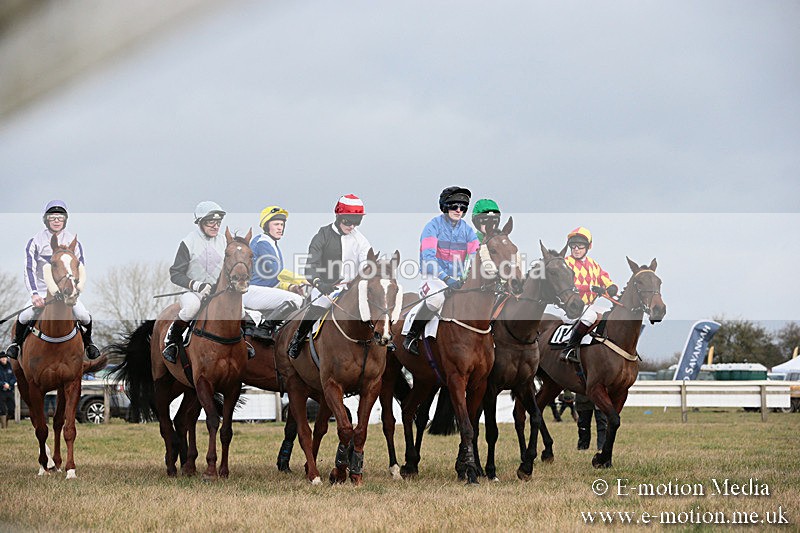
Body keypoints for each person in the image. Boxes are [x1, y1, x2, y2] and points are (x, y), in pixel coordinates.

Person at [5, 200, 100, 360]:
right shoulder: (35, 241)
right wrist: (34, 294)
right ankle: (17, 344)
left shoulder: (74, 242)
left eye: (60, 217)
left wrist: (75, 291)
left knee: (83, 315)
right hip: (42, 291)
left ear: (65, 219)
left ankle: (89, 343)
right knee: (24, 316)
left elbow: (80, 269)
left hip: (67, 291)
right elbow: (29, 269)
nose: (56, 221)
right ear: (46, 219)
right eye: (52, 217)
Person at [163, 201, 253, 363]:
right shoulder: (188, 242)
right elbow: (175, 273)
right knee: (191, 308)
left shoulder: (226, 243)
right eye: (211, 222)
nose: (215, 226)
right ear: (200, 222)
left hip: (220, 293)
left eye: (218, 222)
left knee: (241, 311)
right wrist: (196, 285)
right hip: (194, 292)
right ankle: (171, 342)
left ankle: (244, 343)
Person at [286, 194, 372, 358]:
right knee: (320, 303)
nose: (352, 226)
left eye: (357, 221)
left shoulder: (362, 241)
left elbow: (366, 265)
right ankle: (297, 339)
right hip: (326, 287)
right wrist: (319, 282)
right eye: (348, 221)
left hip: (351, 289)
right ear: (339, 216)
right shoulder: (322, 235)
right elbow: (311, 265)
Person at [402, 186, 480, 356]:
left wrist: (467, 277)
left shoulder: (468, 231)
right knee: (436, 300)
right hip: (433, 278)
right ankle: (411, 336)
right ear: (445, 207)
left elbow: (475, 256)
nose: (458, 210)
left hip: (458, 279)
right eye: (454, 206)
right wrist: (446, 278)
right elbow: (429, 259)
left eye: (462, 207)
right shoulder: (432, 227)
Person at [242, 206, 307, 341]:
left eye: (282, 225)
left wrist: (291, 287)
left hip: (261, 291)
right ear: (266, 226)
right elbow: (277, 272)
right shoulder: (262, 243)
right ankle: (264, 329)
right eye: (276, 224)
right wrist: (304, 280)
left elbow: (273, 279)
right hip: (252, 291)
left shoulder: (272, 244)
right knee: (296, 300)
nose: (280, 228)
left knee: (299, 298)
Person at [559, 226, 618, 363]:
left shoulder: (593, 264)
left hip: (588, 306)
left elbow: (603, 277)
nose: (576, 249)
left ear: (588, 247)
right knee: (591, 316)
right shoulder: (565, 263)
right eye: (573, 246)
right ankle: (569, 348)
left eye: (580, 246)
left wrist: (611, 286)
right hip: (570, 308)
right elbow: (567, 286)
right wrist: (590, 287)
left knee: (609, 314)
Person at [0, 351, 16, 428]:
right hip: (1, 391)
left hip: (9, 390)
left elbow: (14, 377)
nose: (4, 359)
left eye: (5, 358)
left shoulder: (10, 367)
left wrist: (10, 384)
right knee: (2, 409)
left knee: (12, 408)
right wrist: (3, 384)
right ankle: (4, 426)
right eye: (2, 358)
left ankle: (6, 420)